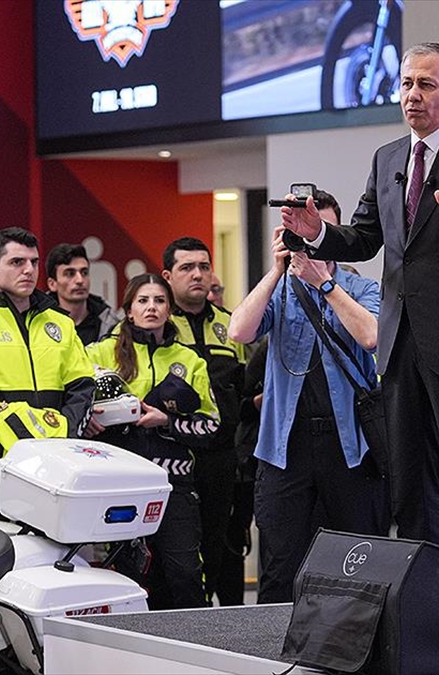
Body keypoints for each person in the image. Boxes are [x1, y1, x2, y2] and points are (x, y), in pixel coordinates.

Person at [281, 43, 439, 580]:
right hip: (400, 341)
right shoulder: (389, 157)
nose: (412, 95)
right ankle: (424, 598)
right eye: (405, 85)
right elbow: (367, 237)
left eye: (426, 84)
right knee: (411, 482)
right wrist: (318, 234)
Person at [230, 191, 389, 603]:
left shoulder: (361, 287)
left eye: (321, 232)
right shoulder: (279, 290)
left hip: (350, 447)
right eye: (302, 233)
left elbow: (371, 336)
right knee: (282, 566)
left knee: (357, 563)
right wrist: (275, 270)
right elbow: (239, 332)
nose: (313, 241)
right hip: (286, 446)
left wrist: (325, 283)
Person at [84, 274, 218, 610]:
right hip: (117, 485)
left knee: (184, 573)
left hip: (174, 485)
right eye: (142, 301)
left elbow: (213, 427)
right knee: (125, 576)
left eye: (159, 300)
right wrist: (90, 420)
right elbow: (73, 404)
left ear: (170, 309)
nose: (151, 308)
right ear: (128, 310)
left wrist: (167, 422)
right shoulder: (100, 352)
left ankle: (194, 653)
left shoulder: (190, 361)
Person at [0, 228, 95, 518]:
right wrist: (20, 441)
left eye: (34, 262)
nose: (28, 270)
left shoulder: (60, 323)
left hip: (55, 463)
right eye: (16, 262)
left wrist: (64, 435)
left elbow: (83, 386)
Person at [162, 236, 248, 606]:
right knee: (176, 554)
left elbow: (247, 389)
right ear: (167, 276)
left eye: (203, 266)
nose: (197, 275)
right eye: (186, 268)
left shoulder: (232, 327)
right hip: (171, 457)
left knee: (222, 547)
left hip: (223, 459)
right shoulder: (155, 326)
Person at [45, 243, 120, 347]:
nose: (80, 280)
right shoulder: (37, 321)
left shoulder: (110, 325)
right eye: (70, 274)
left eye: (84, 272)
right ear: (52, 284)